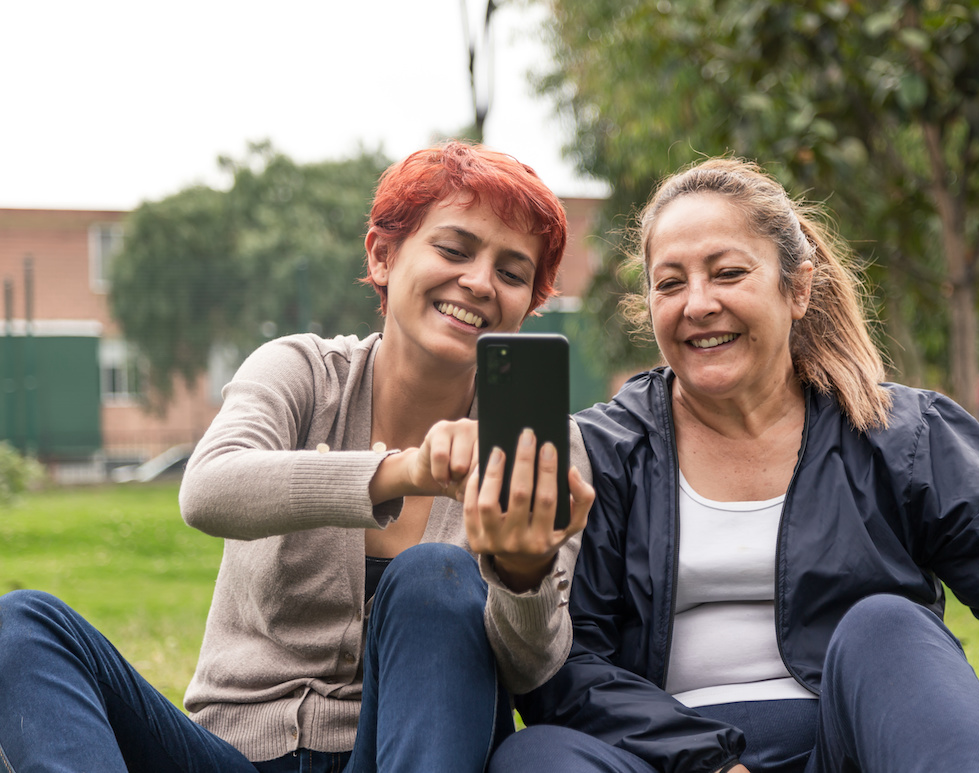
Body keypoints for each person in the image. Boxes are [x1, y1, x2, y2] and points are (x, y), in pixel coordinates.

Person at [492, 157, 979, 773]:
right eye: (670, 282)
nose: (698, 303)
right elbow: (568, 664)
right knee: (537, 756)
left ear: (796, 288)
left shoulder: (900, 436)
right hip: (662, 757)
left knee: (887, 624)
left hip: (848, 747)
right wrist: (703, 759)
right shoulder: (599, 455)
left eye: (727, 272)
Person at [0, 140, 594, 773]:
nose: (479, 282)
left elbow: (532, 667)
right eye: (453, 250)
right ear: (383, 255)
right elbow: (210, 488)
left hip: (402, 753)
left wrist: (523, 576)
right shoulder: (303, 373)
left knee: (437, 576)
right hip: (230, 757)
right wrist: (405, 470)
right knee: (22, 627)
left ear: (529, 305)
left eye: (511, 272)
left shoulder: (539, 445)